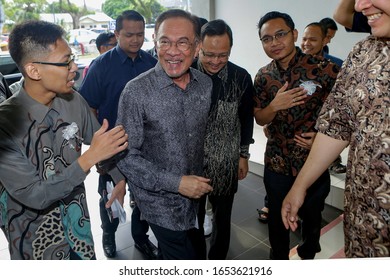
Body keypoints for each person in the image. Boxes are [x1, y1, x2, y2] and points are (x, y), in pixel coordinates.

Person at [0, 20, 128, 260]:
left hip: (78, 228)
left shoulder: (73, 101)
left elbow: (102, 143)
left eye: (72, 59)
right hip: (33, 239)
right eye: (65, 62)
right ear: (34, 70)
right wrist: (89, 159)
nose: (74, 69)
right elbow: (35, 195)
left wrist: (119, 178)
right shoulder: (5, 125)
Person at [282, 0, 389, 258]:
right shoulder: (365, 52)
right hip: (366, 221)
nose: (361, 5)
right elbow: (338, 124)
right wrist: (300, 185)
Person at [116, 9, 213, 260]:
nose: (172, 51)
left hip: (196, 196)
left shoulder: (205, 84)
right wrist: (177, 183)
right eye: (165, 41)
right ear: (155, 42)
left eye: (182, 42)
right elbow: (126, 155)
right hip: (159, 203)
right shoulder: (136, 92)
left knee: (198, 252)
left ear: (196, 47)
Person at [253, 11, 339, 260]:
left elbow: (344, 116)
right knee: (277, 220)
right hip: (277, 161)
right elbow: (260, 118)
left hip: (312, 162)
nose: (274, 42)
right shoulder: (263, 76)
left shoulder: (326, 70)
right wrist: (274, 106)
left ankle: (308, 251)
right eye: (267, 39)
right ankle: (278, 260)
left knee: (312, 216)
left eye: (280, 35)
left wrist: (323, 136)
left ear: (294, 34)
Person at [79, 10, 158, 259]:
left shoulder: (152, 64)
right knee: (110, 197)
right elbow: (88, 107)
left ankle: (140, 237)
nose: (135, 40)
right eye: (129, 35)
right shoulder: (101, 66)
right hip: (113, 147)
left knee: (143, 197)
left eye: (140, 34)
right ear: (116, 34)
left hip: (146, 146)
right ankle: (108, 235)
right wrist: (99, 143)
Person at [192, 19, 254, 260]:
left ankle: (217, 262)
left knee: (222, 218)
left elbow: (246, 119)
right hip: (192, 163)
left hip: (226, 163)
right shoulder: (187, 74)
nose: (215, 61)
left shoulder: (241, 78)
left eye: (223, 55)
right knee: (192, 219)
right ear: (198, 47)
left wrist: (243, 155)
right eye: (209, 55)